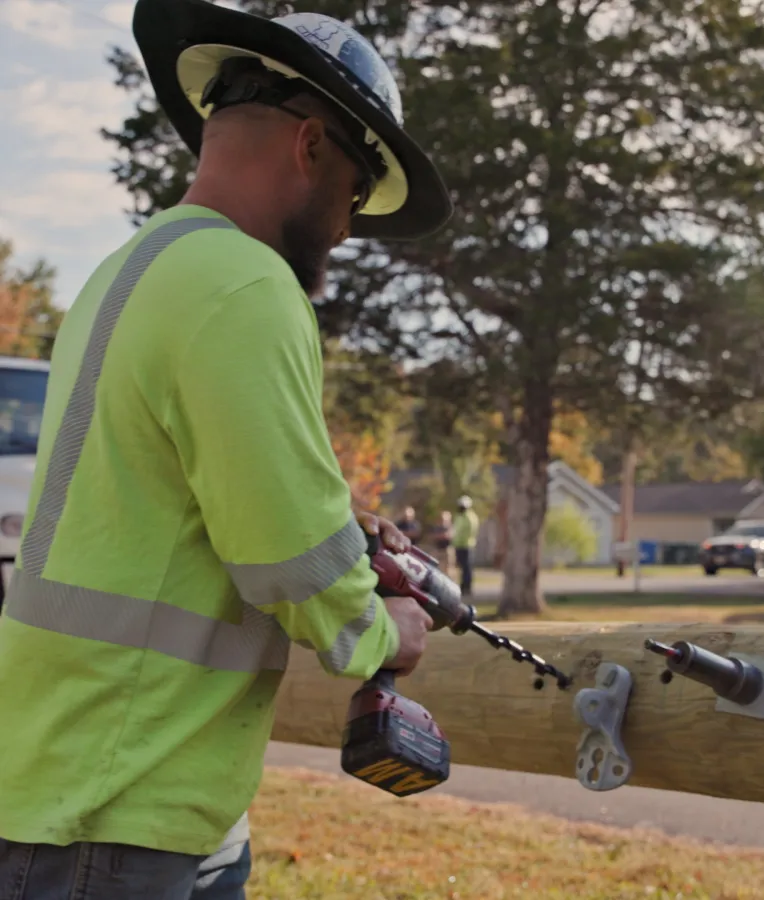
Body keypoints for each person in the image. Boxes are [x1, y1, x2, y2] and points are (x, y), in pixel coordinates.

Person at [0, 1, 452, 897]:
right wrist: (379, 632)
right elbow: (289, 557)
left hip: (87, 780)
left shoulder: (129, 271)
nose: (351, 225)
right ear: (311, 146)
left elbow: (177, 504)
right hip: (121, 803)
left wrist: (347, 532)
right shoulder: (247, 283)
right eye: (357, 192)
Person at [452, 496, 480, 597]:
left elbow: (469, 532)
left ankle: (467, 587)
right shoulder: (459, 516)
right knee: (462, 567)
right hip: (458, 545)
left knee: (467, 567)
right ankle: (463, 586)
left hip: (467, 545)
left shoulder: (470, 517)